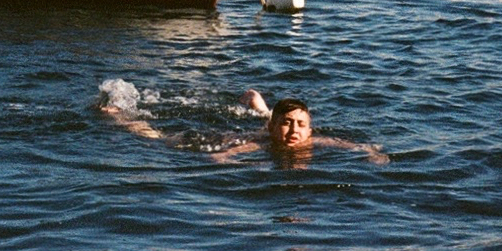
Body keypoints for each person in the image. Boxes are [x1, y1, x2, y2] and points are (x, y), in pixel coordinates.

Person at [100, 86, 388, 165]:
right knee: (157, 139)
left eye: (301, 125)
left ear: (310, 130)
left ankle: (262, 107)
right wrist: (223, 156)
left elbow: (346, 145)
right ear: (275, 129)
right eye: (287, 124)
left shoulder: (312, 140)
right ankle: (120, 116)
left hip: (263, 127)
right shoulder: (264, 141)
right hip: (208, 137)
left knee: (274, 121)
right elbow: (240, 149)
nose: (294, 131)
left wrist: (370, 151)